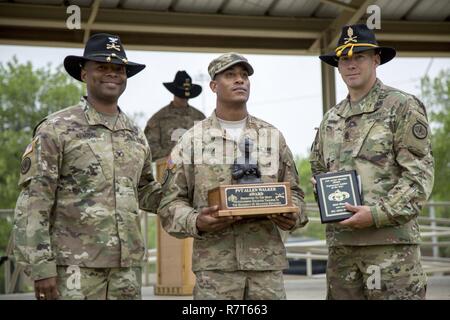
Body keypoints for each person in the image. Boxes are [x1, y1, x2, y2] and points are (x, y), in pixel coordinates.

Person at [13, 33, 162, 300]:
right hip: (73, 269)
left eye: (118, 69)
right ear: (84, 74)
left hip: (125, 269)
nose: (111, 74)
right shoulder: (56, 129)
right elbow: (35, 202)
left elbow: (146, 191)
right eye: (102, 67)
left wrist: (193, 197)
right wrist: (40, 267)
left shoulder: (135, 134)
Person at [158, 52, 308, 299]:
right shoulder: (191, 141)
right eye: (230, 75)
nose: (240, 80)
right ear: (214, 86)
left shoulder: (272, 136)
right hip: (216, 271)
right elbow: (169, 204)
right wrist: (196, 221)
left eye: (244, 75)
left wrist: (294, 216)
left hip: (266, 270)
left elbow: (297, 195)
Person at [310, 24, 434, 299]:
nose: (351, 64)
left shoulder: (401, 106)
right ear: (338, 65)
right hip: (342, 250)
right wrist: (321, 187)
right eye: (345, 59)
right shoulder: (331, 118)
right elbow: (318, 168)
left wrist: (376, 214)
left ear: (376, 59)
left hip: (390, 249)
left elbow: (418, 177)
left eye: (360, 56)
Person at [144, 70, 205, 161]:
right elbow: (150, 148)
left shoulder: (200, 118)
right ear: (174, 93)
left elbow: (209, 145)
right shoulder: (159, 118)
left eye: (186, 96)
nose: (184, 99)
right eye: (181, 95)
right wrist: (174, 155)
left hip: (196, 170)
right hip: (167, 169)